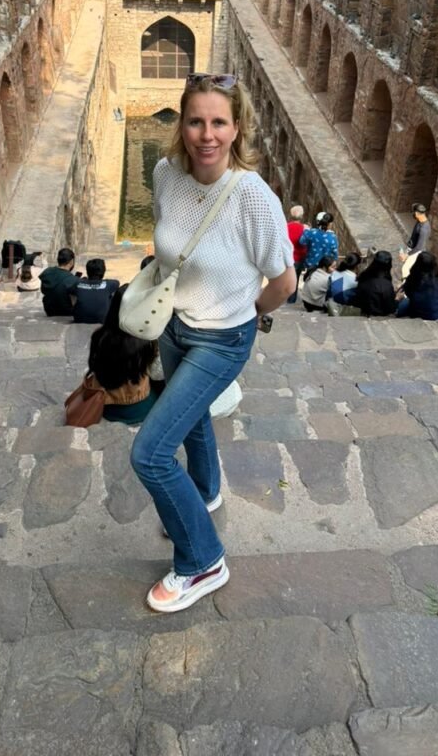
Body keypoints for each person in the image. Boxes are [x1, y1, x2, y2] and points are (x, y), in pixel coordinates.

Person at [130, 72, 295, 614]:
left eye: (218, 122)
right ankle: (204, 493)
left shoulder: (253, 197)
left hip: (221, 339)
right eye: (196, 120)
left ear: (236, 128)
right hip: (175, 325)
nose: (206, 134)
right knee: (194, 421)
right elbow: (167, 244)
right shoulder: (165, 174)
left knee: (150, 454)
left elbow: (284, 283)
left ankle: (202, 560)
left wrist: (247, 315)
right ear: (181, 123)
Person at [88, 286, 162, 425]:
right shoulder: (147, 340)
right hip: (139, 406)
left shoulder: (99, 336)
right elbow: (157, 375)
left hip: (105, 405)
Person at [70, 258, 120, 324]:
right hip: (102, 320)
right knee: (112, 294)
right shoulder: (109, 284)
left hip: (79, 319)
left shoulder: (78, 283)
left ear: (87, 272)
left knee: (74, 293)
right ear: (103, 271)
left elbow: (71, 293)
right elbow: (117, 283)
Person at [351, 250, 397, 317]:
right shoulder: (386, 285)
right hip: (378, 314)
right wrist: (397, 299)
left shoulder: (364, 275)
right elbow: (390, 308)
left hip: (364, 310)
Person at [39, 247, 79, 316]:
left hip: (49, 310)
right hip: (65, 312)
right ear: (71, 261)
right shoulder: (72, 279)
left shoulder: (47, 272)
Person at [399, 203, 431, 279]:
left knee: (405, 269)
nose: (413, 214)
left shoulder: (424, 229)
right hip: (412, 247)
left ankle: (405, 286)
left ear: (417, 213)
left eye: (414, 212)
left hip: (416, 251)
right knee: (408, 266)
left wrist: (407, 255)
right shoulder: (420, 221)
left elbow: (420, 247)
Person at [285, 204, 308, 304]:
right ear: (302, 216)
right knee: (296, 278)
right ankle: (291, 299)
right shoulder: (305, 228)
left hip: (286, 257)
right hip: (299, 258)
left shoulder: (285, 227)